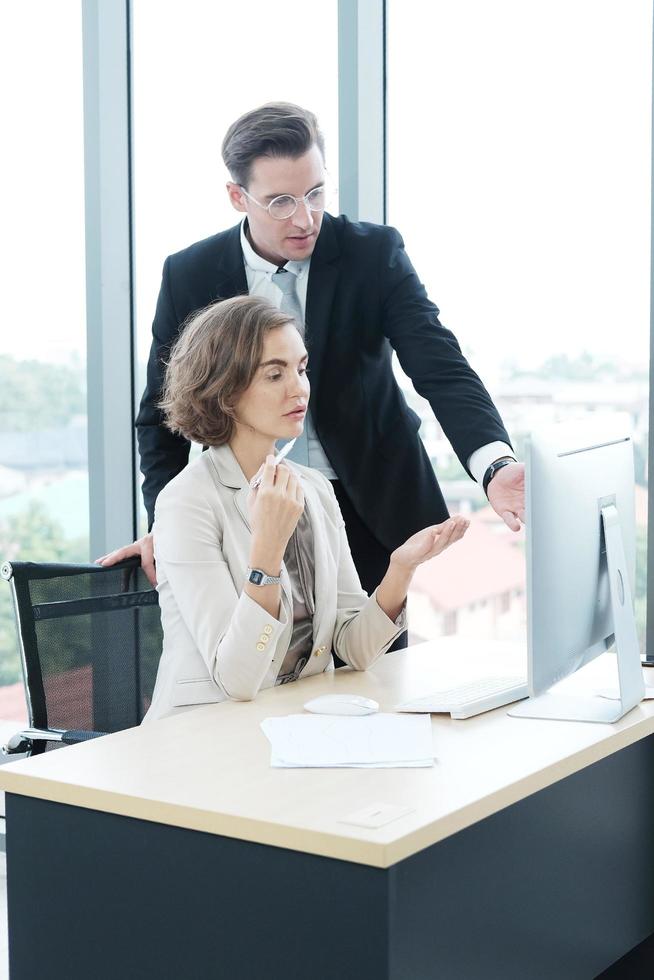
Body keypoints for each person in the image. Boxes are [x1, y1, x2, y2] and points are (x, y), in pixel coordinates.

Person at [99, 101, 523, 632]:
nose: (305, 218)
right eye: (280, 201)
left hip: (367, 505)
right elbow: (161, 417)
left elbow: (440, 367)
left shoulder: (373, 254)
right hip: (243, 510)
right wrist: (168, 523)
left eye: (316, 193)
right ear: (237, 197)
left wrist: (494, 465)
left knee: (373, 670)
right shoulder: (191, 273)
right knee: (253, 666)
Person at [143, 295, 468, 721]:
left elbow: (354, 649)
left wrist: (400, 570)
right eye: (275, 374)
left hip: (293, 723)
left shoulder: (312, 489)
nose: (299, 388)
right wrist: (269, 549)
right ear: (224, 390)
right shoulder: (187, 501)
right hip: (205, 733)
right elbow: (237, 679)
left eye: (301, 368)